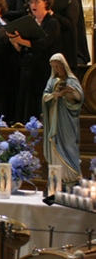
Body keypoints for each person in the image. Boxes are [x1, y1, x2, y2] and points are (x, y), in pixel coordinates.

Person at [8, 0, 61, 123]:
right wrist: (15, 41)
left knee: (38, 104)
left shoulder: (52, 23)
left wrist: (20, 40)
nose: (33, 5)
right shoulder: (29, 22)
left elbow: (42, 44)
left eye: (37, 2)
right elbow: (22, 49)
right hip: (27, 68)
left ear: (46, 3)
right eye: (31, 2)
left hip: (43, 69)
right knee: (25, 103)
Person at [42, 53, 83, 185]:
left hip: (68, 119)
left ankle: (72, 176)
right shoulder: (52, 81)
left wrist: (72, 91)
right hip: (55, 118)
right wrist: (55, 95)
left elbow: (80, 99)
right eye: (54, 67)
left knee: (70, 144)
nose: (57, 69)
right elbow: (44, 97)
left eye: (58, 66)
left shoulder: (72, 81)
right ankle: (58, 179)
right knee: (56, 144)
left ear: (64, 66)